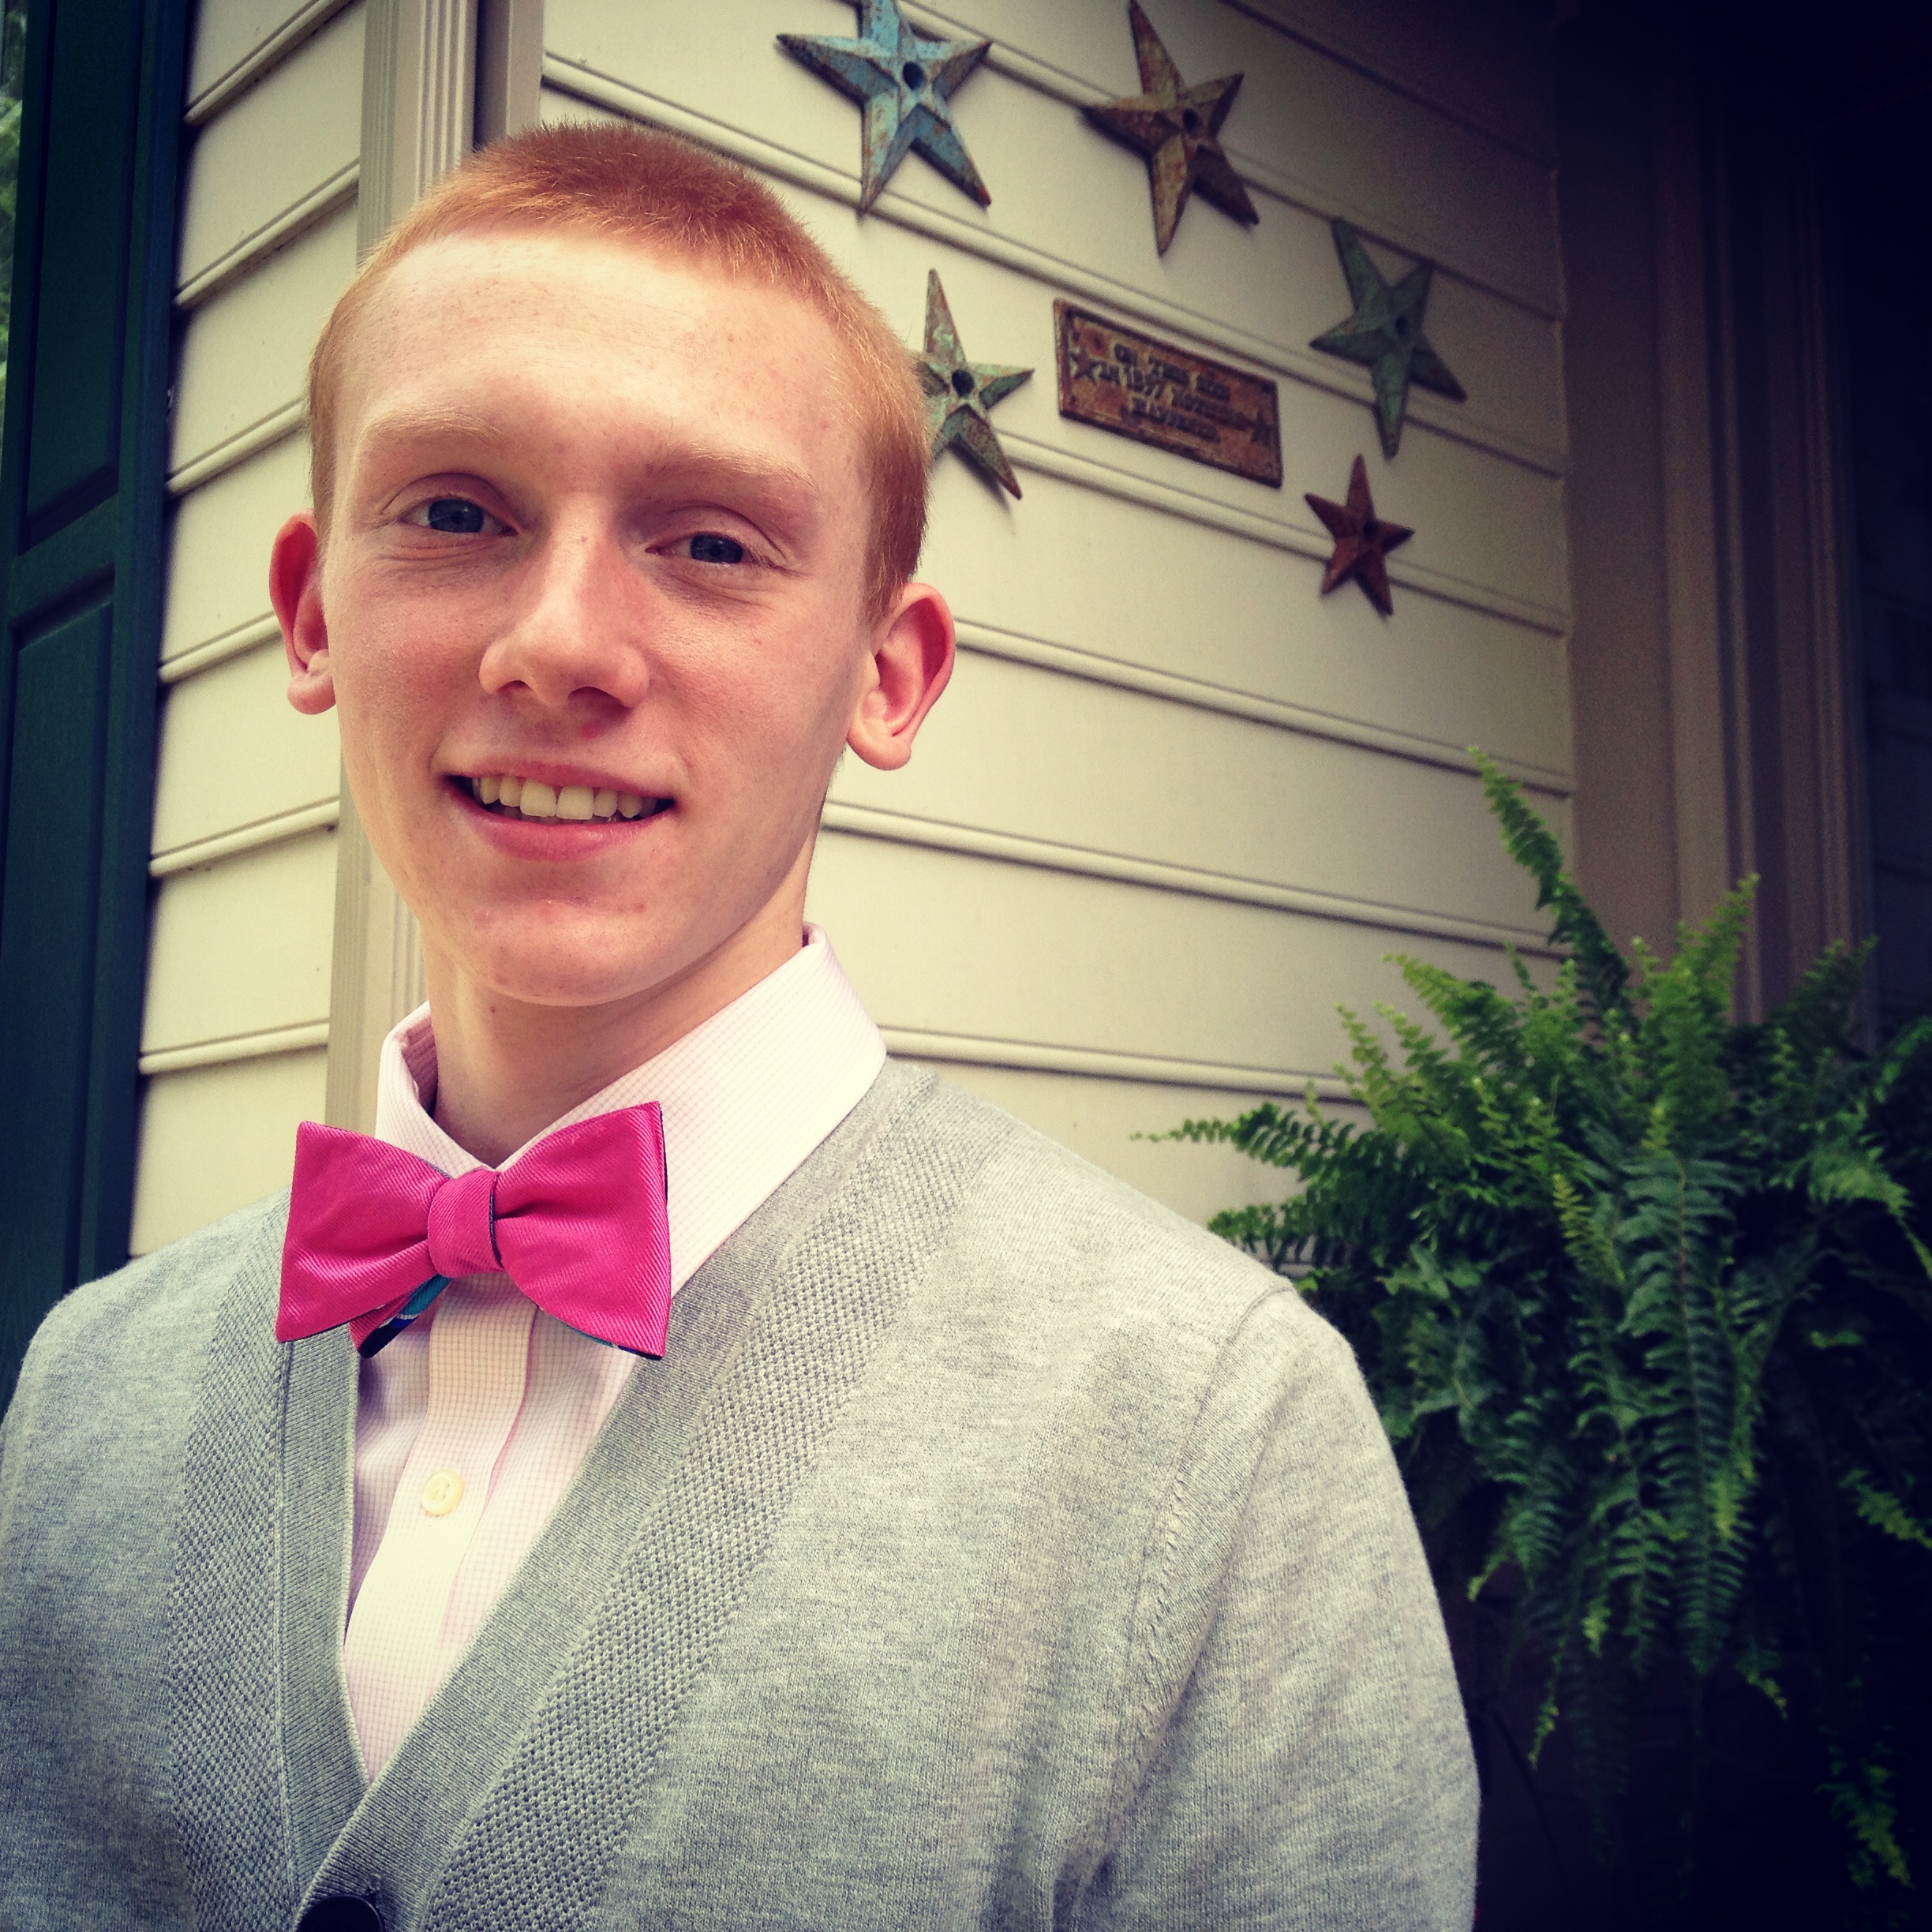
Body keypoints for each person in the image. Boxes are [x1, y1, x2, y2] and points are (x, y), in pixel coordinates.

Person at [0, 123, 1477, 1929]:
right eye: (456, 512)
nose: (559, 643)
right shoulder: (75, 1402)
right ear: (313, 613)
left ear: (887, 673)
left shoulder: (1213, 1446)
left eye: (711, 542)